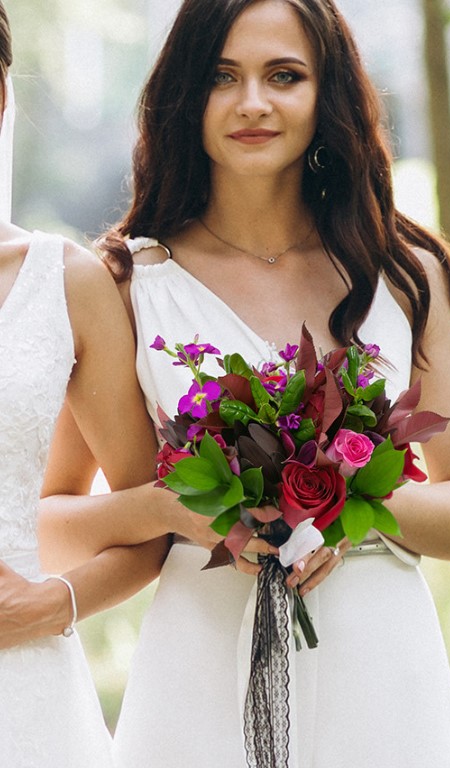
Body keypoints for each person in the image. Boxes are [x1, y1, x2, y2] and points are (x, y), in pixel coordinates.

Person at [94, 0, 450, 766]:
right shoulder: (126, 285)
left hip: (378, 669)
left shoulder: (406, 274)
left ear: (328, 93)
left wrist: (343, 505)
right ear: (186, 94)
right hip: (202, 658)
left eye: (284, 75)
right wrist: (178, 510)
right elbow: (55, 516)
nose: (253, 103)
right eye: (223, 77)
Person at [0, 4, 169, 765]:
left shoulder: (65, 283)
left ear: (0, 94)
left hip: (23, 688)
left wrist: (52, 604)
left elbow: (152, 521)